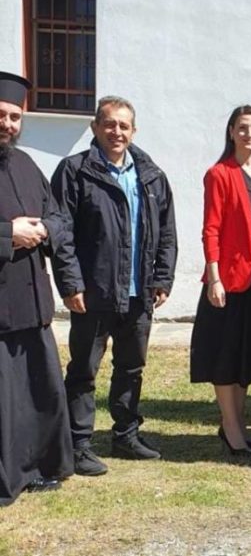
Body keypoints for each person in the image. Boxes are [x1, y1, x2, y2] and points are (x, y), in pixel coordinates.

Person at [51, 96, 178, 475]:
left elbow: (167, 231)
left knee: (132, 366)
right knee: (84, 369)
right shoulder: (75, 171)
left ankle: (125, 434)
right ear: (95, 128)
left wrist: (162, 277)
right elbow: (61, 232)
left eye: (124, 125)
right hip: (94, 292)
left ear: (133, 130)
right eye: (109, 124)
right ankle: (79, 443)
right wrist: (71, 283)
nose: (116, 131)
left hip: (140, 293)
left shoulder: (151, 175)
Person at [190, 105, 251, 456]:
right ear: (231, 131)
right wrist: (213, 277)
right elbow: (210, 229)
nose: (249, 135)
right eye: (243, 128)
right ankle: (231, 427)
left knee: (247, 353)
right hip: (228, 278)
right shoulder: (219, 174)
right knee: (226, 354)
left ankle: (238, 423)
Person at [0, 71, 74, 505]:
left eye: (14, 117)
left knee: (36, 393)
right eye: (1, 115)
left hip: (32, 303)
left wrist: (44, 226)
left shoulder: (27, 165)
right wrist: (9, 235)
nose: (7, 124)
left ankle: (35, 469)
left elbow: (60, 217)